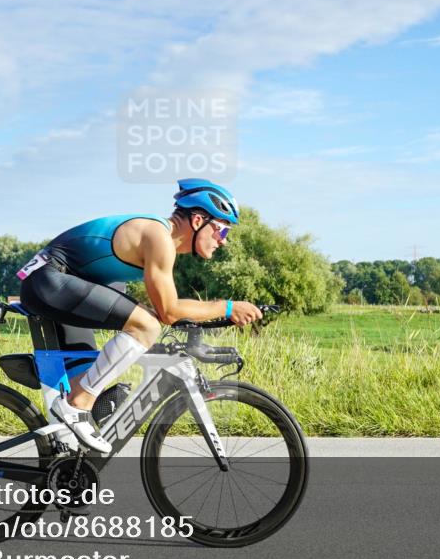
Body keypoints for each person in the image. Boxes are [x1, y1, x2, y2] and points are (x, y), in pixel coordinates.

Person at [17, 179, 263, 453]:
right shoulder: (158, 237)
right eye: (222, 229)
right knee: (145, 326)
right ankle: (78, 404)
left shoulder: (161, 242)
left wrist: (212, 317)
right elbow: (169, 312)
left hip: (61, 284)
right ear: (197, 220)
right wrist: (227, 308)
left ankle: (62, 464)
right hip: (49, 281)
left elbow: (164, 309)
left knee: (98, 368)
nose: (224, 240)